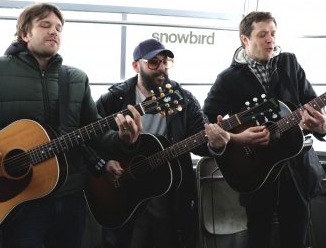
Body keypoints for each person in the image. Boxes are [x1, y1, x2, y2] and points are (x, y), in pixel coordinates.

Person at [0, 3, 142, 248]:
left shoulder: (76, 78)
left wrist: (124, 140)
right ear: (25, 34)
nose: (54, 31)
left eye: (59, 28)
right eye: (45, 25)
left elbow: (93, 132)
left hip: (71, 198)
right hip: (16, 203)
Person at [203, 11, 326, 248]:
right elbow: (206, 127)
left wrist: (324, 125)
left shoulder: (290, 63)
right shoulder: (228, 79)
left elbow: (315, 108)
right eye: (262, 35)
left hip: (297, 172)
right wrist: (235, 138)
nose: (270, 39)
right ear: (245, 39)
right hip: (256, 175)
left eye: (272, 33)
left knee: (296, 240)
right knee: (259, 239)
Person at [96, 38, 230, 248]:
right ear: (135, 66)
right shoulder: (114, 99)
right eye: (153, 63)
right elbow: (92, 140)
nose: (161, 68)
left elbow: (200, 141)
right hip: (124, 191)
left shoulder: (182, 99)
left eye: (165, 62)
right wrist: (105, 162)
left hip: (168, 192)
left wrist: (216, 143)